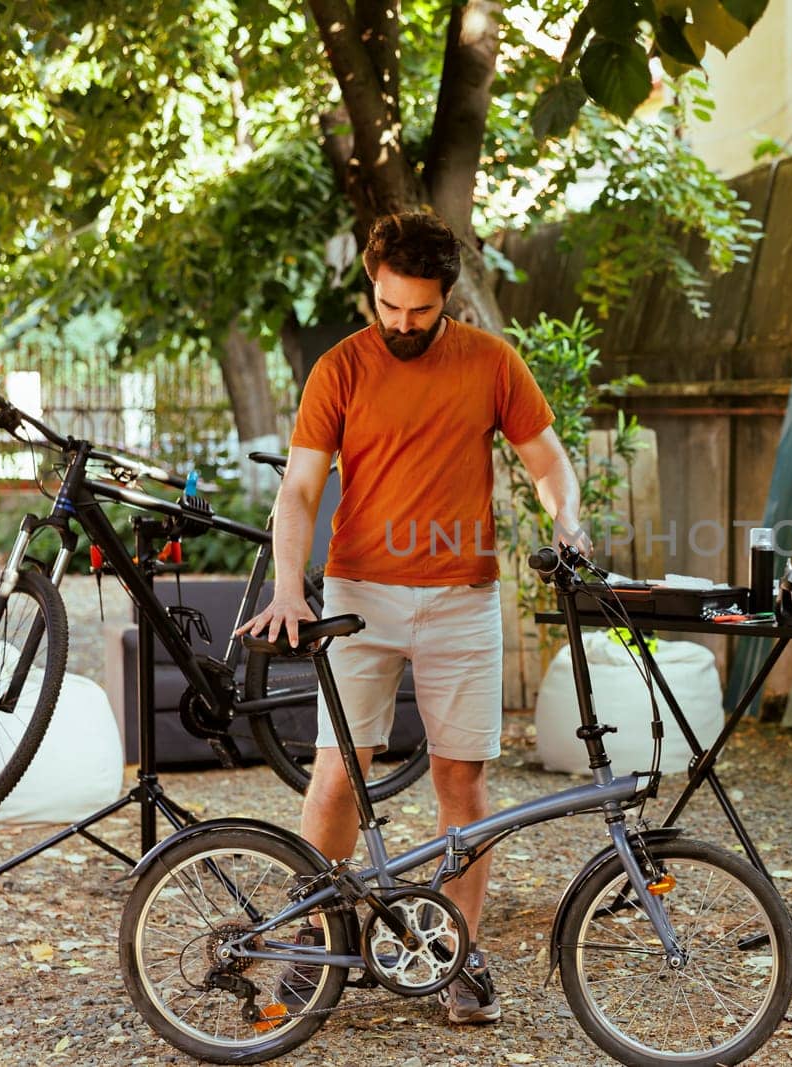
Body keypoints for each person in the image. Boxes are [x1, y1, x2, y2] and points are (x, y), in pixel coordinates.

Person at [240, 210, 590, 1026]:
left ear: (447, 299)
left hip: (462, 596)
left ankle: (451, 953)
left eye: (418, 312)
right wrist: (291, 587)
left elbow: (548, 461)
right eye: (388, 306)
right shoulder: (341, 368)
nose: (400, 324)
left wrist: (567, 524)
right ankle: (312, 942)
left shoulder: (490, 362)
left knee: (461, 778)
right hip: (361, 593)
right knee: (337, 771)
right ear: (374, 288)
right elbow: (298, 489)